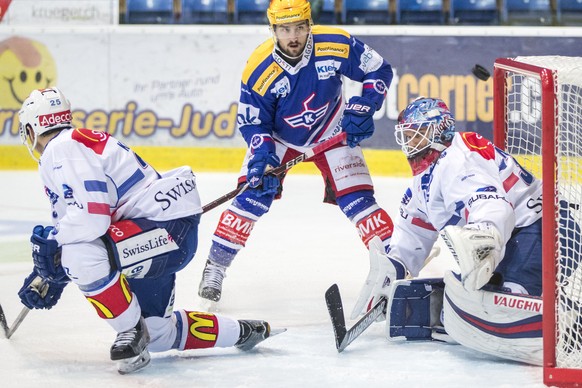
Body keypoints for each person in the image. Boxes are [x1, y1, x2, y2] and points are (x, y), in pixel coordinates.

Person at [17, 87, 278, 374]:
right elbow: (83, 225)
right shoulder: (73, 146)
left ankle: (129, 331)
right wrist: (48, 274)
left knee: (77, 256)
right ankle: (241, 331)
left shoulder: (62, 149)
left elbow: (91, 222)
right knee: (159, 334)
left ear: (32, 129)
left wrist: (56, 250)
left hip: (161, 232)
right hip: (156, 237)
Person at [198, 0, 395, 302]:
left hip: (332, 128)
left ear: (309, 25)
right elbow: (254, 122)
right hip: (280, 138)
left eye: (299, 28)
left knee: (359, 201)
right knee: (251, 197)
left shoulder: (337, 45)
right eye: (285, 29)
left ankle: (395, 263)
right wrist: (263, 158)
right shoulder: (259, 69)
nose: (293, 36)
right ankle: (215, 267)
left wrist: (365, 104)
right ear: (273, 30)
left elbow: (379, 69)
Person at [352, 97, 561, 365]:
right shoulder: (423, 182)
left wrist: (484, 243)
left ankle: (565, 325)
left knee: (506, 303)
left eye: (418, 134)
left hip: (543, 227)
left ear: (440, 130)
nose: (410, 142)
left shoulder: (458, 158)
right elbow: (413, 234)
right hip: (515, 236)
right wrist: (391, 271)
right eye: (407, 135)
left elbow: (493, 206)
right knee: (471, 299)